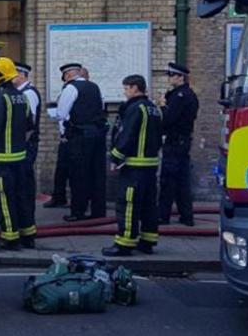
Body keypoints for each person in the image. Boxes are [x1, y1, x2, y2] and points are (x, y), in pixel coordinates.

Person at [103, 74, 164, 256]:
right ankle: (147, 241)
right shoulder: (154, 109)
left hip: (135, 166)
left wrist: (115, 158)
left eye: (126, 88)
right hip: (150, 165)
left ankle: (125, 243)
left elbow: (127, 135)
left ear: (135, 88)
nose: (125, 92)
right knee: (148, 205)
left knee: (128, 204)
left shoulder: (136, 109)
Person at [0, 57, 35, 250]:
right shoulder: (23, 97)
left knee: (3, 200)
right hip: (20, 159)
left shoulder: (0, 98)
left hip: (1, 161)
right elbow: (30, 125)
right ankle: (28, 236)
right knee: (21, 197)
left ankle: (10, 239)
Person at [55, 63, 107, 222]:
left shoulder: (70, 88)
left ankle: (78, 211)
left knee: (79, 175)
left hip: (79, 137)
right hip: (97, 135)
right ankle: (98, 210)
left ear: (68, 75)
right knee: (97, 173)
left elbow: (61, 113)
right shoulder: (94, 87)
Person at [159, 62, 200, 226]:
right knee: (182, 181)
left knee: (168, 180)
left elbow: (168, 119)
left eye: (171, 75)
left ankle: (163, 215)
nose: (169, 79)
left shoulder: (180, 96)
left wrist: (162, 107)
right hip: (183, 142)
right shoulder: (188, 94)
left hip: (175, 142)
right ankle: (186, 216)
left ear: (180, 77)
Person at [13, 61, 41, 231]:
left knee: (24, 185)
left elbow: (28, 123)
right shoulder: (20, 92)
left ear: (22, 75)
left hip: (26, 145)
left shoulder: (28, 93)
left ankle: (27, 223)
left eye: (13, 73)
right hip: (23, 145)